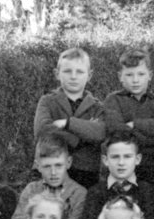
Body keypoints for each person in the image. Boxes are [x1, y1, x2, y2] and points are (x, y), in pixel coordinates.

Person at [33, 47, 106, 188]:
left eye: (79, 72)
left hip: (86, 172)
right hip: (50, 168)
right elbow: (42, 129)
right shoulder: (47, 101)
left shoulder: (97, 107)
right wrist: (78, 138)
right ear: (57, 74)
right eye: (67, 71)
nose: (73, 76)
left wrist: (68, 123)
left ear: (89, 75)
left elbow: (100, 132)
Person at [78, 130, 154, 219]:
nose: (121, 163)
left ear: (138, 159)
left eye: (127, 156)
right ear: (105, 160)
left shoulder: (147, 191)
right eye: (115, 157)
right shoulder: (95, 192)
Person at [102, 48, 154, 185]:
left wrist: (133, 125)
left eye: (141, 74)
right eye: (129, 75)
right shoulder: (113, 100)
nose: (135, 80)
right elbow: (116, 130)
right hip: (122, 167)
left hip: (153, 168)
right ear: (120, 76)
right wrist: (152, 133)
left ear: (150, 75)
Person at [11, 132, 86, 219]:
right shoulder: (31, 190)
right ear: (38, 166)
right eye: (47, 166)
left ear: (68, 162)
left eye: (58, 165)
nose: (53, 172)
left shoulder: (79, 194)